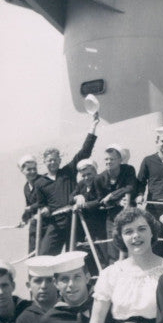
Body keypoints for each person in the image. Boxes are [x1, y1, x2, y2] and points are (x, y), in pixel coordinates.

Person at [36, 114, 99, 255]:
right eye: (49, 160)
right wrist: (44, 209)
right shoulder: (39, 183)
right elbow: (41, 204)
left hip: (75, 218)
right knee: (44, 255)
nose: (52, 162)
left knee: (77, 257)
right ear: (44, 162)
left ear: (59, 160)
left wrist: (93, 126)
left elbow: (84, 152)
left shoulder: (68, 171)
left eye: (55, 159)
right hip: (56, 223)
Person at [94, 144, 138, 265]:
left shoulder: (128, 170)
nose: (109, 162)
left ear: (119, 160)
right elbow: (100, 201)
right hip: (112, 216)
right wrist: (116, 200)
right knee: (114, 248)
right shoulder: (99, 178)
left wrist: (111, 196)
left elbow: (130, 187)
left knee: (132, 244)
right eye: (106, 159)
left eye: (112, 159)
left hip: (130, 214)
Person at [72, 159, 106, 269]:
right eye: (84, 175)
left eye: (89, 174)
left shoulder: (101, 181)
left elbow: (101, 199)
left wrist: (84, 205)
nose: (87, 178)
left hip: (101, 224)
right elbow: (70, 198)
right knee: (88, 255)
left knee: (102, 254)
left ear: (95, 171)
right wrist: (77, 197)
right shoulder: (81, 184)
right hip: (86, 225)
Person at [18, 154, 47, 254]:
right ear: (22, 171)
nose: (33, 172)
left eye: (34, 169)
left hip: (47, 223)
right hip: (35, 224)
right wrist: (24, 220)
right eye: (29, 169)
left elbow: (46, 201)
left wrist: (31, 208)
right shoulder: (26, 187)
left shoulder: (43, 181)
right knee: (32, 253)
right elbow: (28, 207)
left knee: (43, 255)